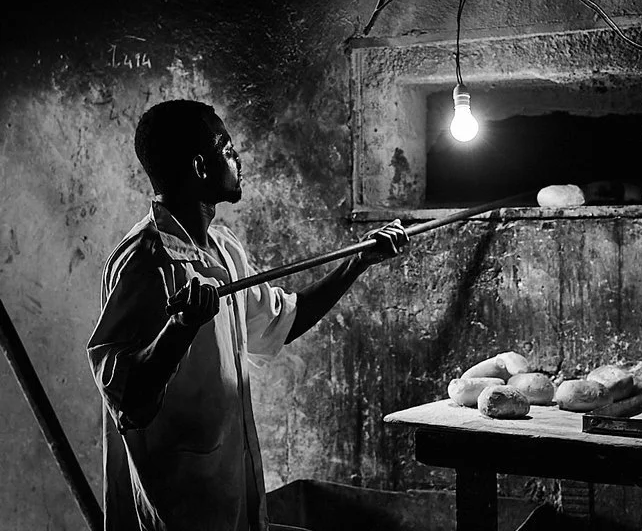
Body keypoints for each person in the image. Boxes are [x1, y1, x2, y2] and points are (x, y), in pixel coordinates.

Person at [86, 100, 409, 531]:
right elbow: (128, 398)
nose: (237, 158)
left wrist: (358, 262)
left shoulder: (223, 248)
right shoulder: (145, 264)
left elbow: (281, 321)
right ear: (201, 166)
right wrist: (180, 328)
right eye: (227, 148)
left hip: (231, 496)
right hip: (176, 507)